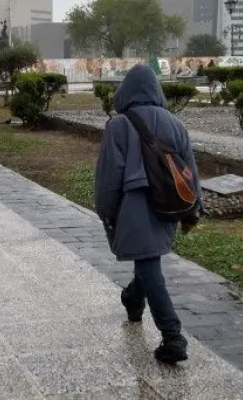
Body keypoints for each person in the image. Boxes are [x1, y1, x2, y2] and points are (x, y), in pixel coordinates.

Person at [94, 64, 202, 364]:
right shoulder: (175, 123)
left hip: (136, 206)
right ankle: (133, 297)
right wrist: (195, 208)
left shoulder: (119, 125)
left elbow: (109, 176)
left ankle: (173, 337)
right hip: (169, 203)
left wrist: (105, 209)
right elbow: (190, 171)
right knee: (148, 257)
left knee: (149, 262)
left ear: (124, 91)